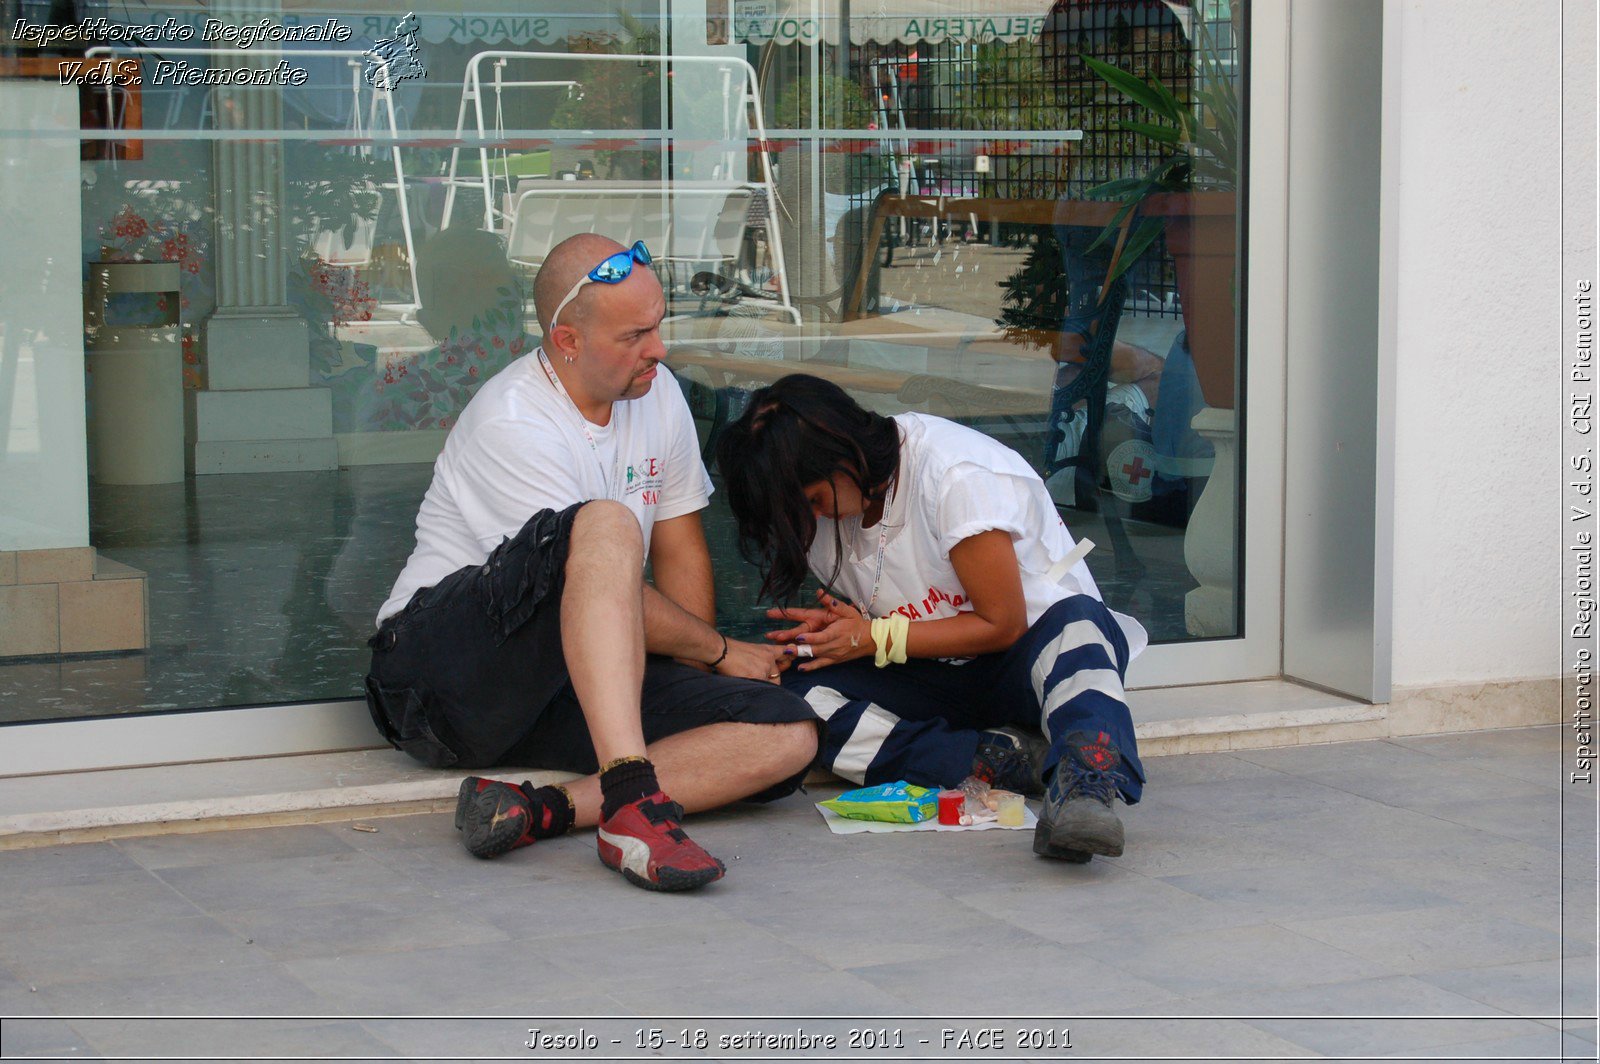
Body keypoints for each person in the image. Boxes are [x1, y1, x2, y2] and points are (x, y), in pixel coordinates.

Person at [365, 234, 818, 892]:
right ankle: (635, 801)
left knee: (786, 735)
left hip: (555, 688)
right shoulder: (513, 420)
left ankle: (542, 809)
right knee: (602, 522)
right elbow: (597, 580)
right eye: (634, 335)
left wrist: (697, 677)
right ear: (567, 342)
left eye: (658, 327)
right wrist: (720, 651)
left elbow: (680, 542)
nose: (657, 351)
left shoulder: (654, 393)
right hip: (434, 686)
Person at [715, 374, 1147, 863]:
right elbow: (899, 603)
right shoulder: (830, 514)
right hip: (940, 673)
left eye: (814, 501)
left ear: (845, 455)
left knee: (1080, 623)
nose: (814, 522)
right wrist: (845, 634)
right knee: (792, 693)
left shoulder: (953, 474)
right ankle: (992, 761)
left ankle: (1086, 783)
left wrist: (874, 637)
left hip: (1029, 666)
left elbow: (1002, 624)